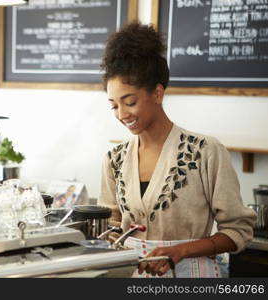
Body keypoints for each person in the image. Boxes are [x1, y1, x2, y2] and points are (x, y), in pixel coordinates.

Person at [98, 22, 256, 278]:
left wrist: (181, 250)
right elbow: (111, 225)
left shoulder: (205, 152)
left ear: (158, 93)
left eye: (130, 102)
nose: (122, 114)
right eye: (114, 106)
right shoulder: (114, 159)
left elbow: (238, 231)